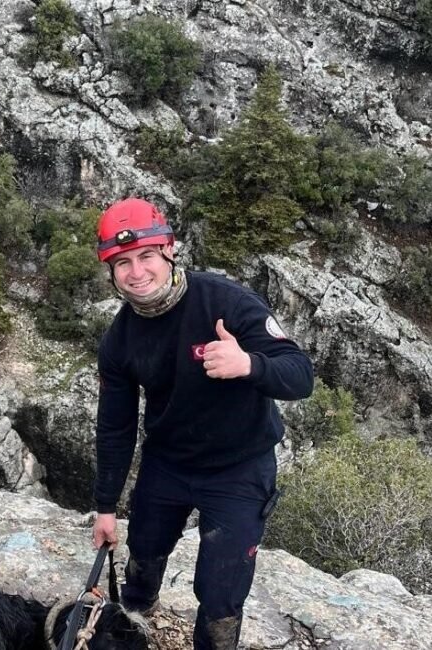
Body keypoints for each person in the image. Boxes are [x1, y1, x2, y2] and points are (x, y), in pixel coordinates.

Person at [89, 198, 313, 649]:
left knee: (221, 593)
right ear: (111, 272)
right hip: (167, 463)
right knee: (143, 560)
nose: (137, 273)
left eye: (147, 256)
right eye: (123, 263)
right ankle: (134, 628)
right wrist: (106, 506)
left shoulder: (225, 302)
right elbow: (115, 425)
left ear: (170, 250)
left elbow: (299, 374)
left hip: (239, 468)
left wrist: (248, 363)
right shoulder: (120, 338)